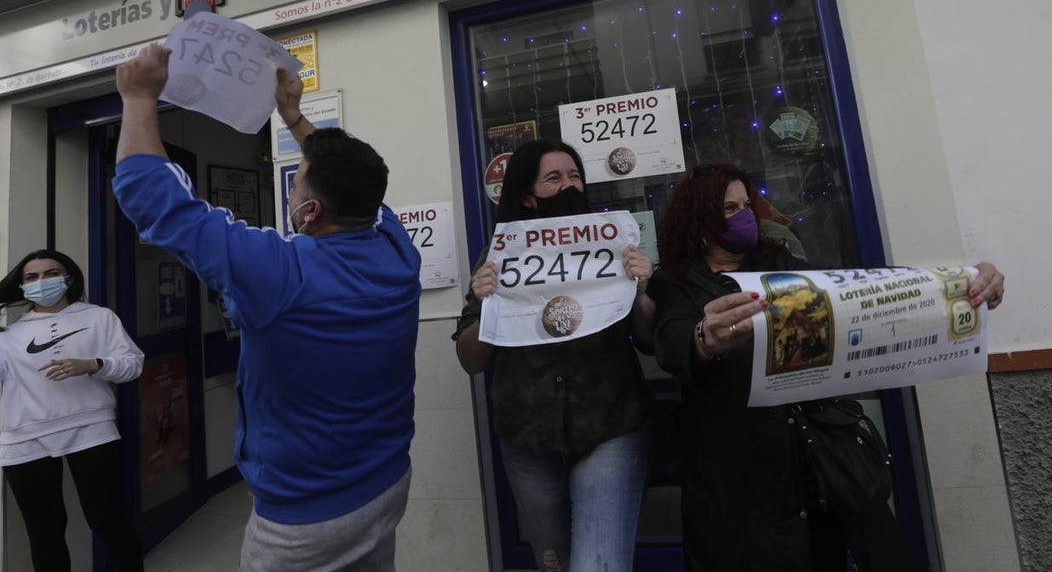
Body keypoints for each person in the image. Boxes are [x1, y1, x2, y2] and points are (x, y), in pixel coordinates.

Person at [111, 44, 422, 572]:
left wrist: (138, 97)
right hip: (386, 483)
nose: (295, 179)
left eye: (298, 175)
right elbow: (354, 177)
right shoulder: (397, 250)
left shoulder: (283, 273)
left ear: (309, 209)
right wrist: (294, 117)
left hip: (304, 521)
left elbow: (152, 197)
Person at [646, 163, 1006, 572]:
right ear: (700, 220)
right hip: (737, 474)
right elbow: (672, 339)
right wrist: (704, 339)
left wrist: (966, 284)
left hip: (814, 460)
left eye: (747, 204)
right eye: (730, 208)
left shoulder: (780, 261)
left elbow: (860, 296)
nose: (744, 215)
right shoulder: (676, 282)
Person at [453, 139, 656, 572]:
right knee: (555, 564)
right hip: (529, 439)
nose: (569, 185)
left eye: (575, 176)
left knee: (597, 565)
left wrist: (640, 291)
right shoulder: (497, 258)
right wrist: (488, 303)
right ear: (528, 196)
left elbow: (648, 337)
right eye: (554, 178)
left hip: (610, 426)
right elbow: (471, 360)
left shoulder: (616, 247)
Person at [0, 249, 145, 572]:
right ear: (21, 286)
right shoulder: (9, 335)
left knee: (109, 521)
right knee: (44, 533)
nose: (42, 282)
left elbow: (133, 365)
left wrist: (93, 365)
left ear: (68, 277)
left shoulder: (99, 317)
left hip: (91, 430)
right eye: (31, 277)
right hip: (24, 441)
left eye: (51, 274)